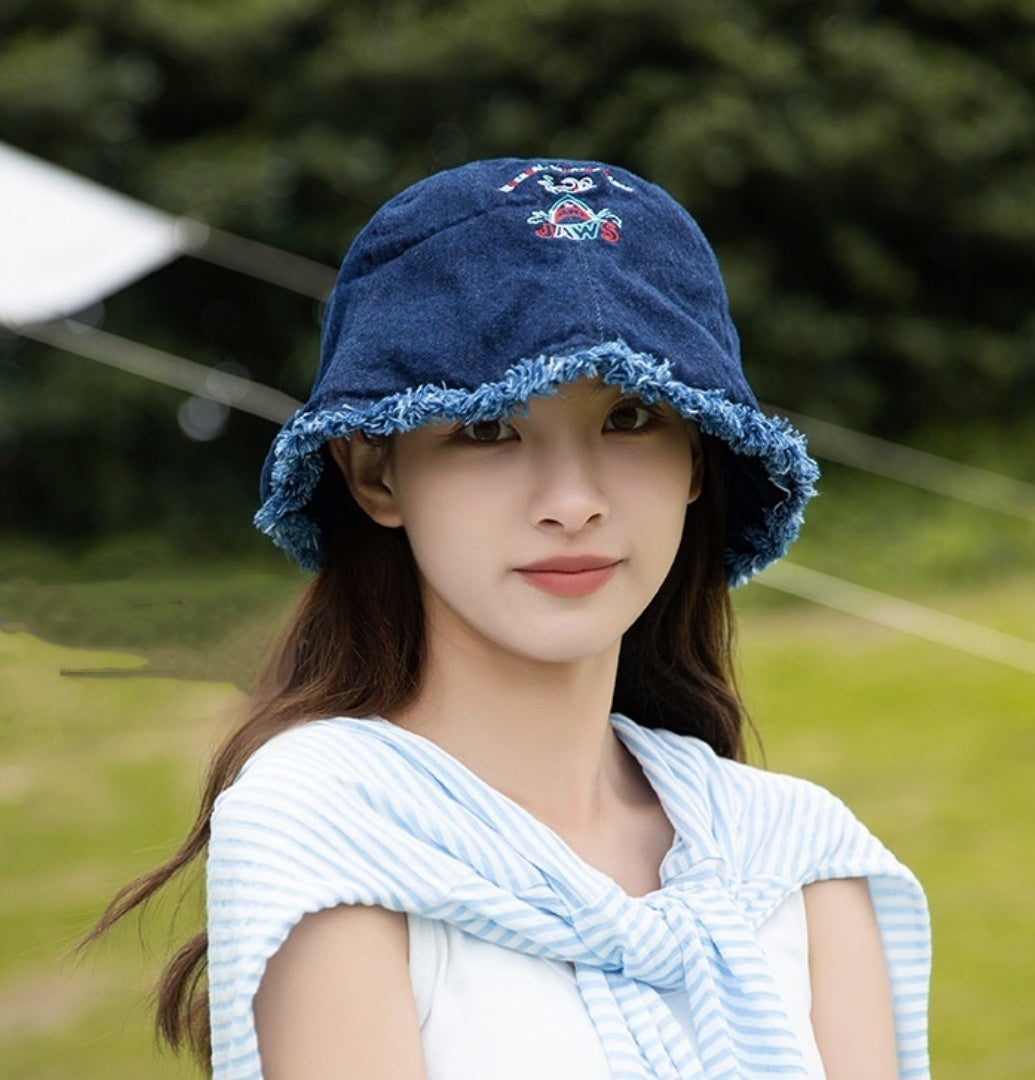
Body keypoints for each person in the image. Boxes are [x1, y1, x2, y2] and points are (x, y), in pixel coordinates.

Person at [93, 158, 931, 1079]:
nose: (571, 502)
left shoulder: (802, 857)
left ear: (700, 460)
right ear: (378, 475)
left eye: (631, 416)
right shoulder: (334, 828)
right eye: (488, 428)